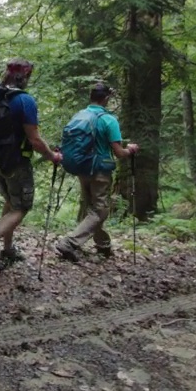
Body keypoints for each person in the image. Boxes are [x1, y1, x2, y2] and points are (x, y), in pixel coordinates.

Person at [0, 59, 63, 273]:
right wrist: (52, 156)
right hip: (17, 162)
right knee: (21, 207)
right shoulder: (24, 101)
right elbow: (35, 140)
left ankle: (8, 249)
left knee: (11, 203)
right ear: (25, 77)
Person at [55, 81, 139, 262]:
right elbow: (118, 152)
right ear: (106, 99)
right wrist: (130, 150)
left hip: (82, 168)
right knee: (100, 211)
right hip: (100, 170)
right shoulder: (108, 120)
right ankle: (69, 243)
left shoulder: (79, 115)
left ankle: (103, 246)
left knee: (92, 208)